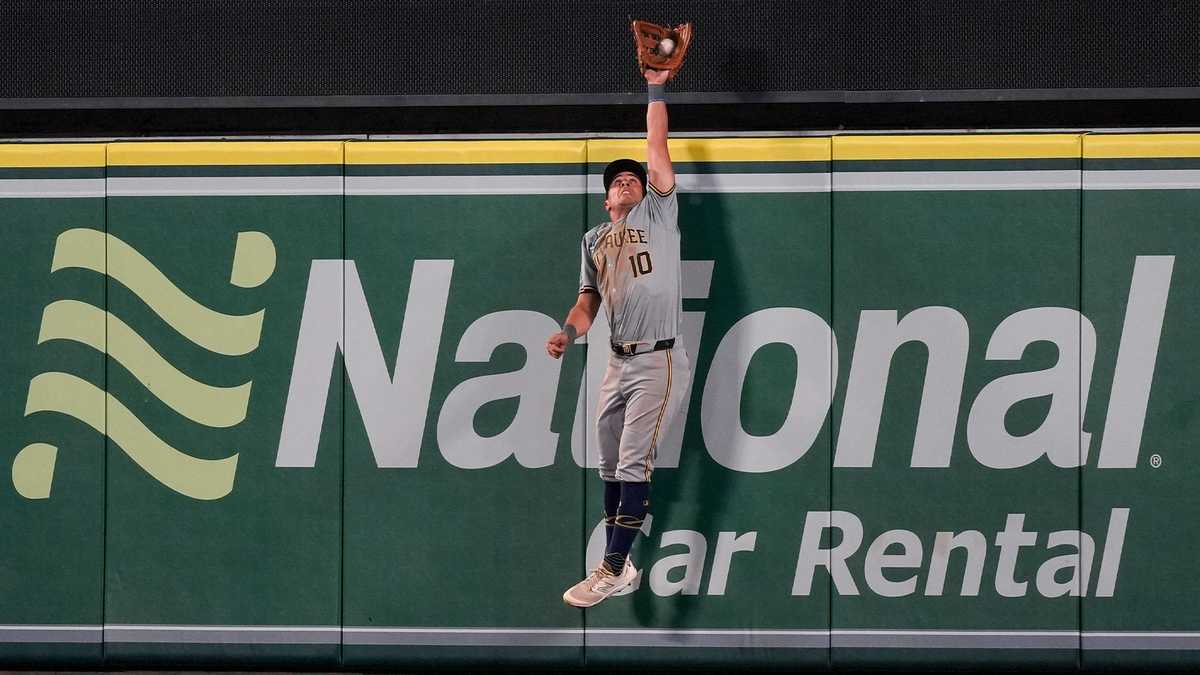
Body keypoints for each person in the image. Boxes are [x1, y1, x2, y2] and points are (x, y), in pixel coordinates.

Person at [546, 67, 692, 608]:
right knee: (608, 464)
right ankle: (622, 563)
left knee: (632, 464)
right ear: (607, 198)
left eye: (632, 178)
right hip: (616, 360)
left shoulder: (659, 214)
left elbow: (656, 143)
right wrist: (567, 333)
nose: (626, 181)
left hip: (659, 357)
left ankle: (609, 568)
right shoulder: (594, 238)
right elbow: (588, 303)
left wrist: (655, 87)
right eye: (617, 180)